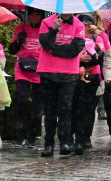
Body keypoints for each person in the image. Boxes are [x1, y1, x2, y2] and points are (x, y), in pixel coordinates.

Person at [37, 12, 86, 157]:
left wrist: (54, 50)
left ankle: (65, 141)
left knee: (65, 109)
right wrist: (53, 29)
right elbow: (45, 44)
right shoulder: (46, 22)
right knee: (50, 109)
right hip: (48, 71)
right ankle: (49, 144)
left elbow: (75, 49)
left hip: (69, 73)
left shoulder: (79, 24)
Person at [8, 7, 44, 147]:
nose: (35, 17)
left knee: (37, 104)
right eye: (32, 14)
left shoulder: (45, 30)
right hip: (22, 69)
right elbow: (12, 50)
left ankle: (33, 135)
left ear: (41, 16)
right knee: (22, 102)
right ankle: (20, 135)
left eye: (37, 15)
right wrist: (19, 40)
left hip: (39, 70)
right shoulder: (21, 28)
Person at [72, 14, 105, 154]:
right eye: (82, 25)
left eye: (88, 25)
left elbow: (101, 55)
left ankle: (86, 136)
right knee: (75, 107)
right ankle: (75, 137)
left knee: (89, 108)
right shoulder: (74, 37)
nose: (85, 27)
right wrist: (79, 60)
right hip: (74, 75)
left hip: (93, 75)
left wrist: (88, 61)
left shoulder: (98, 38)